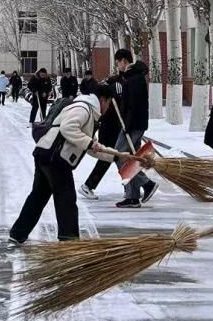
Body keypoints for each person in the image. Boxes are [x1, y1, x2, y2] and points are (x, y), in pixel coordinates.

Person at [9, 81, 135, 245]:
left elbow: (91, 147)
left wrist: (117, 156)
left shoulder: (87, 109)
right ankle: (69, 240)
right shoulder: (83, 108)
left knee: (38, 196)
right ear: (103, 99)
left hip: (45, 153)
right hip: (56, 157)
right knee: (66, 198)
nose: (109, 107)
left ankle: (18, 233)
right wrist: (90, 143)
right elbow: (68, 128)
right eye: (109, 102)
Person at [112, 49, 159, 208]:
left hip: (133, 125)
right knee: (131, 157)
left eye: (118, 63)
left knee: (120, 155)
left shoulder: (134, 79)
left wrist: (128, 126)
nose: (118, 66)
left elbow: (134, 105)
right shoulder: (133, 77)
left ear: (124, 61)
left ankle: (146, 183)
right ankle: (132, 196)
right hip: (133, 124)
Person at [78, 71, 122, 200]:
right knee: (110, 157)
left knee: (114, 157)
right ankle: (88, 185)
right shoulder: (115, 87)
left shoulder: (112, 86)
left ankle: (135, 185)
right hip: (110, 128)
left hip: (111, 127)